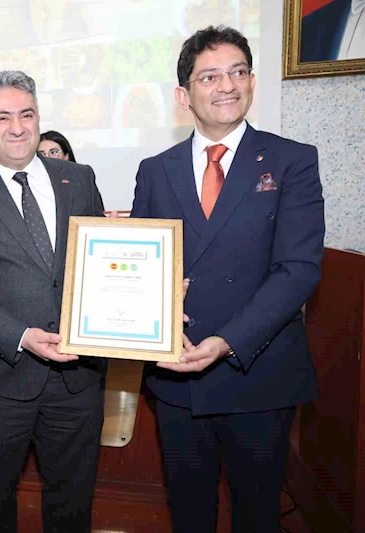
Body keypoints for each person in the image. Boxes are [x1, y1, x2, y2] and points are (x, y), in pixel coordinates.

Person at [131, 26, 324, 532]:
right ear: (183, 95)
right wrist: (155, 312)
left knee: (257, 515)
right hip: (177, 373)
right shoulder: (155, 170)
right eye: (210, 76)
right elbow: (144, 265)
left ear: (253, 82)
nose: (227, 85)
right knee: (189, 513)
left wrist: (227, 341)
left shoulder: (292, 161)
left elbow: (298, 270)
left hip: (257, 372)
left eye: (238, 72)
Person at [0, 71, 107, 533]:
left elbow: (102, 259)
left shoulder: (79, 179)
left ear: (38, 119)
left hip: (78, 378)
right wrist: (22, 336)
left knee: (73, 501)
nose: (17, 127)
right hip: (0, 381)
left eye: (26, 114)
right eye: (2, 117)